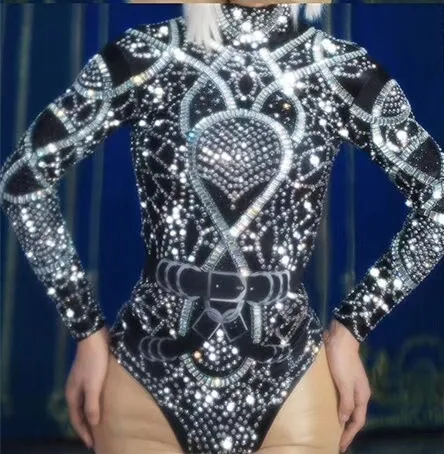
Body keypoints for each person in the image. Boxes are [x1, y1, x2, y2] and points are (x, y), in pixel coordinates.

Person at [1, 1, 443, 453]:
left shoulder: (341, 71)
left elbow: (438, 203)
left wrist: (350, 330)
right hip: (144, 388)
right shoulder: (146, 55)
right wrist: (87, 332)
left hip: (291, 394)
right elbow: (23, 181)